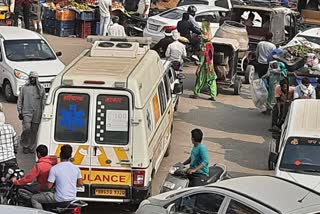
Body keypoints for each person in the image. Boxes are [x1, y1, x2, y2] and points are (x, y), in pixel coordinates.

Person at [31, 144, 83, 210]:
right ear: (70, 156)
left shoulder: (55, 168)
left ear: (60, 154)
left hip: (59, 198)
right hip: (72, 198)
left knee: (34, 198)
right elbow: (80, 183)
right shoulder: (76, 168)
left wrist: (39, 188)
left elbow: (48, 186)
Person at [17, 71, 46, 154]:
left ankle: (31, 147)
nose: (32, 79)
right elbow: (20, 100)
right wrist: (20, 111)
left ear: (37, 79)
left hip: (37, 113)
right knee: (27, 129)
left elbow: (43, 101)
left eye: (34, 78)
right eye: (31, 78)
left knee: (34, 131)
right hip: (26, 112)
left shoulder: (41, 89)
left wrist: (44, 112)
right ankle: (25, 145)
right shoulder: (24, 88)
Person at [190, 20, 217, 101]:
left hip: (205, 66)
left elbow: (201, 59)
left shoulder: (204, 47)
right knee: (211, 80)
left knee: (200, 79)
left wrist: (198, 69)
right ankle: (213, 95)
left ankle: (196, 93)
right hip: (210, 65)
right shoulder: (211, 45)